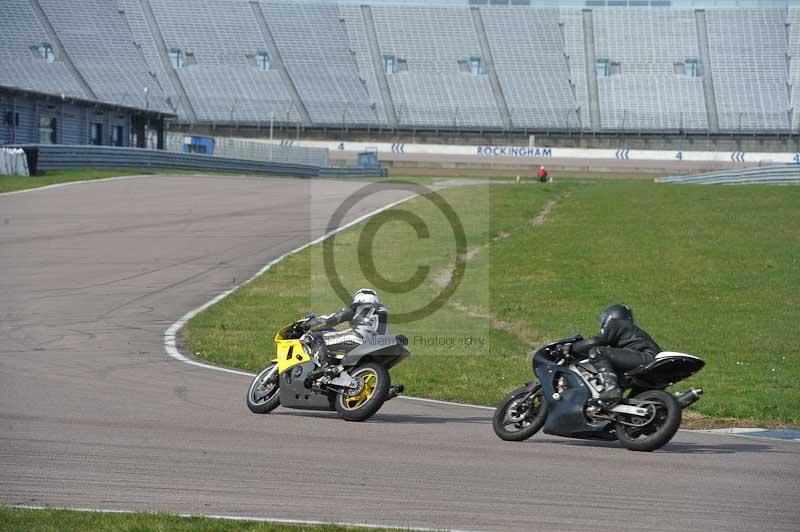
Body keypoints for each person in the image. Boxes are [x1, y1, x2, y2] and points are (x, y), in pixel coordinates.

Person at [568, 304, 661, 406]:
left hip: (645, 357)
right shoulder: (629, 329)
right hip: (652, 365)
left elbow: (596, 341)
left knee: (597, 352)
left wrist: (572, 348)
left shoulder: (617, 323)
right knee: (633, 404)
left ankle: (611, 388)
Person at [298, 288, 388, 386]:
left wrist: (307, 324)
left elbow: (332, 319)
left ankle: (325, 367)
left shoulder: (357, 306)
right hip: (375, 344)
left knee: (314, 335)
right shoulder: (383, 311)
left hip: (357, 338)